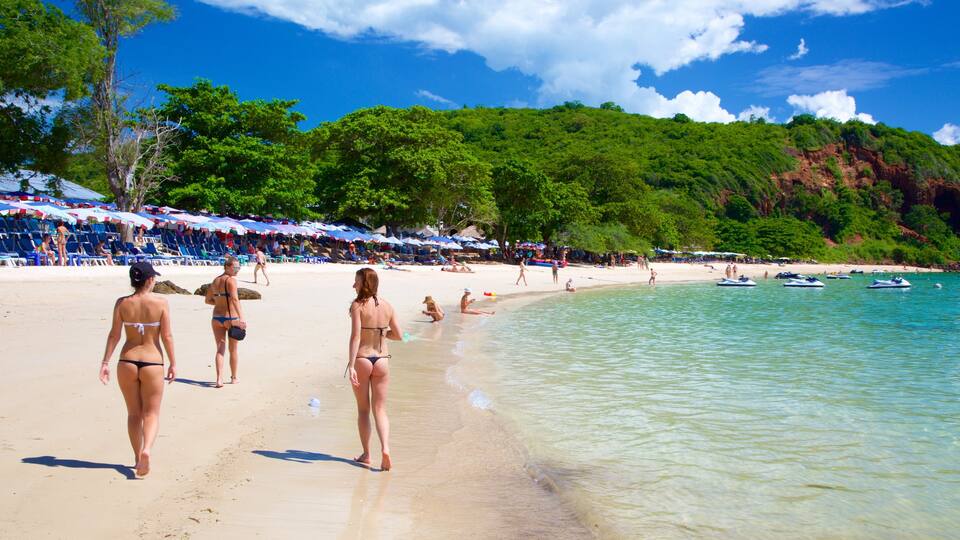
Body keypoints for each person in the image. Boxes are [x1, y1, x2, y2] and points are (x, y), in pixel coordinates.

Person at [98, 262, 176, 477]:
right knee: (151, 413)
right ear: (150, 280)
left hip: (127, 361)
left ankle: (136, 456)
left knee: (134, 413)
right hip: (152, 362)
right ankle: (147, 449)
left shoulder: (122, 303)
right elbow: (167, 336)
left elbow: (114, 335)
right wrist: (173, 363)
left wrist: (105, 362)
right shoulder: (161, 303)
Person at [346, 268, 402, 471]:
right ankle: (385, 448)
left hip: (362, 358)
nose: (354, 286)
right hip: (381, 359)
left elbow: (355, 337)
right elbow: (398, 335)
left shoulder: (358, 305)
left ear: (365, 284)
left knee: (363, 409)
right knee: (380, 409)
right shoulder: (387, 306)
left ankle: (367, 454)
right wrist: (382, 334)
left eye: (357, 282)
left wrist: (351, 365)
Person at [205, 256, 247, 388]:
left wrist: (219, 303)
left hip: (216, 317)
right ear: (227, 267)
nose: (237, 270)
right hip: (231, 318)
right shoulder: (231, 281)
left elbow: (208, 300)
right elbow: (235, 300)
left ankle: (219, 379)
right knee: (233, 350)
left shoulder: (215, 280)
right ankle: (234, 378)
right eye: (235, 268)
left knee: (220, 349)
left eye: (239, 267)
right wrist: (242, 318)